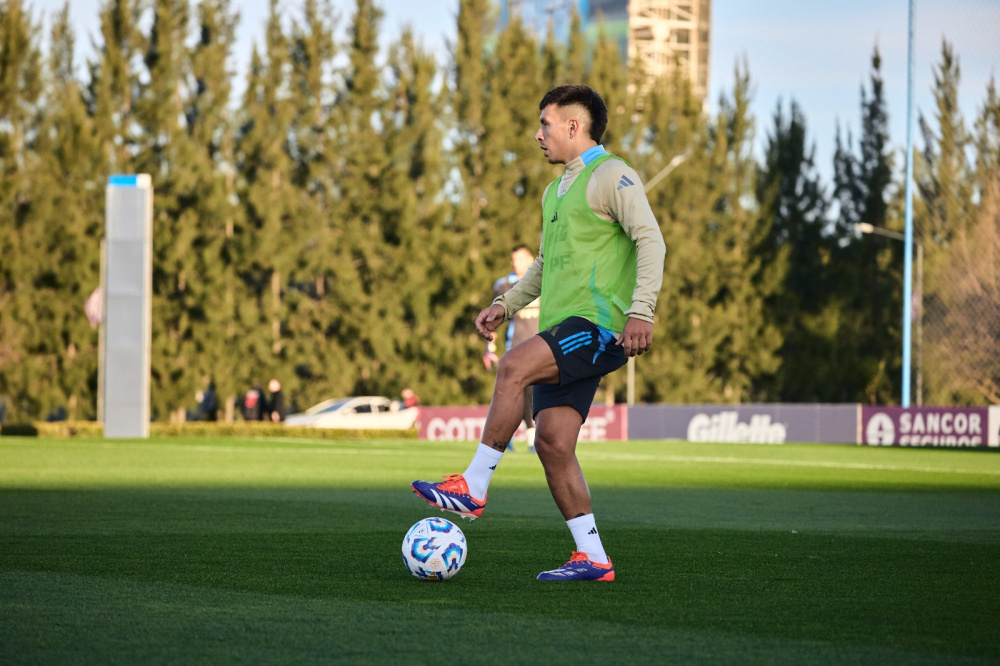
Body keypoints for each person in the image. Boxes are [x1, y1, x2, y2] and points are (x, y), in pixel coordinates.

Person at [412, 85, 666, 582]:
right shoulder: (556, 191)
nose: (537, 134)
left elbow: (650, 240)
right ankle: (593, 557)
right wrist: (506, 305)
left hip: (598, 326)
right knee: (552, 443)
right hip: (563, 330)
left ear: (574, 125)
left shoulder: (612, 174)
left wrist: (642, 311)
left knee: (512, 368)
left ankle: (474, 485)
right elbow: (547, 264)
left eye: (545, 124)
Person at [483, 244, 540, 452]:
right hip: (515, 345)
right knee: (514, 391)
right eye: (513, 259)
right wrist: (489, 349)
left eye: (520, 259)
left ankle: (532, 435)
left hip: (540, 343)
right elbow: (494, 320)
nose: (516, 263)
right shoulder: (504, 284)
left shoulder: (544, 279)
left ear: (531, 259)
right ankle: (507, 438)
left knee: (536, 391)